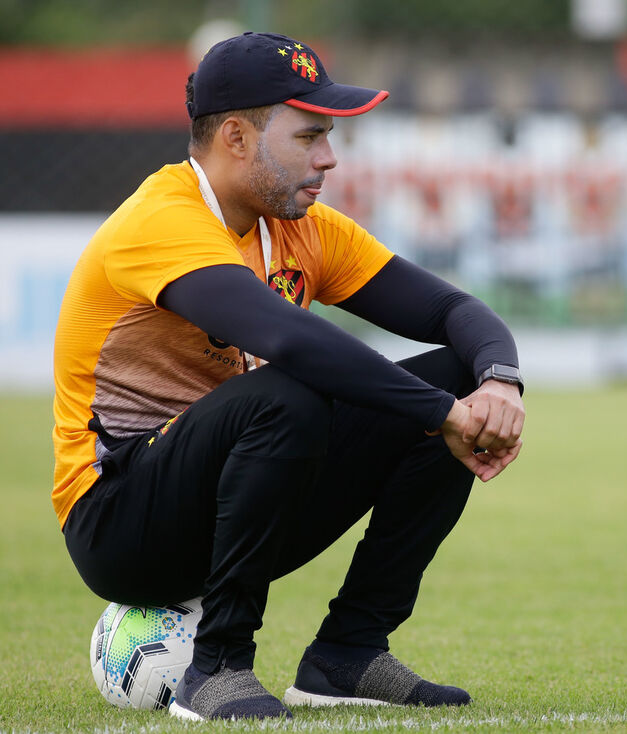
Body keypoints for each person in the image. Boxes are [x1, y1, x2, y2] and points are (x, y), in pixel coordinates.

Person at [52, 31, 525, 722]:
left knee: (456, 378)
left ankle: (348, 655)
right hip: (119, 521)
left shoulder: (300, 227)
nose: (329, 158)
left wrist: (497, 386)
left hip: (237, 498)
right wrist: (440, 414)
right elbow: (287, 338)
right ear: (237, 138)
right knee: (288, 394)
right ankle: (215, 670)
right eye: (309, 137)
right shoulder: (160, 219)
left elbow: (453, 311)